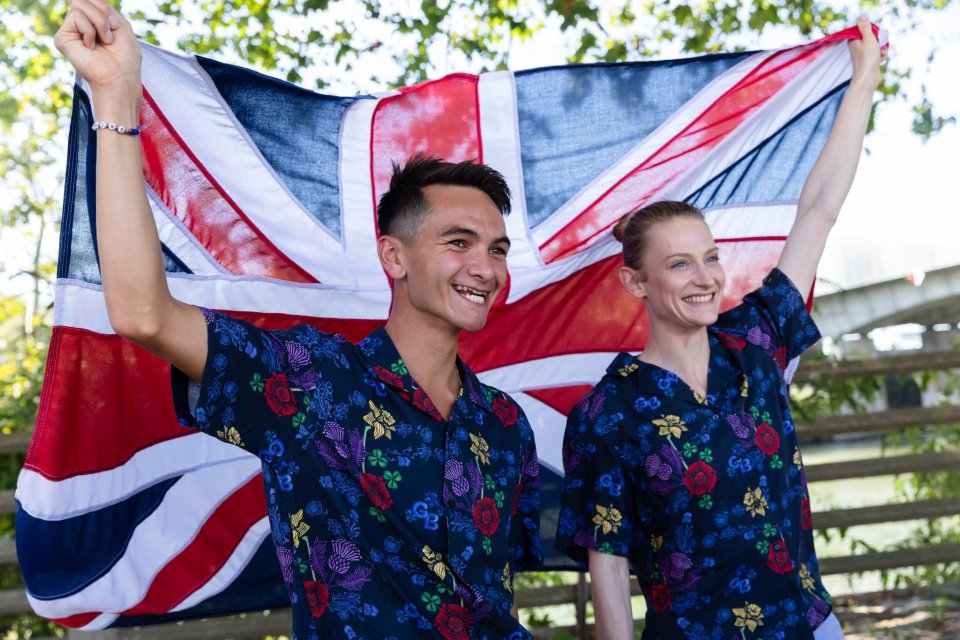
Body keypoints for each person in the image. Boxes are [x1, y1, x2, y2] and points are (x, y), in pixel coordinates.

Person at [54, 2, 542, 638]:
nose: (486, 266)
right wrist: (117, 97)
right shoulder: (309, 381)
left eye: (498, 249)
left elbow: (500, 593)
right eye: (459, 242)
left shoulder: (507, 424)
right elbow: (143, 313)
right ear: (393, 255)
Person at [555, 17, 883, 640]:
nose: (705, 276)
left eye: (710, 256)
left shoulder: (755, 341)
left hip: (808, 625)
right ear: (636, 284)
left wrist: (863, 80)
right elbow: (609, 562)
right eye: (679, 263)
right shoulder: (608, 412)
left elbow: (819, 208)